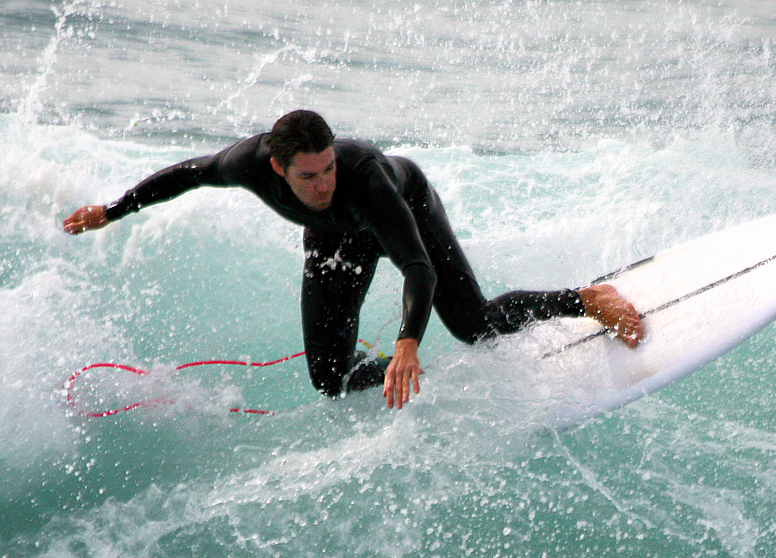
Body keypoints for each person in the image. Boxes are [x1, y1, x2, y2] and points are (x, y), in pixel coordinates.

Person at [62, 110, 642, 410]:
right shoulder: (245, 163)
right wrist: (113, 211)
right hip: (334, 240)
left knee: (471, 324)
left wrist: (412, 337)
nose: (322, 183)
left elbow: (417, 265)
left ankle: (588, 299)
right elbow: (187, 175)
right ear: (277, 170)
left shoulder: (362, 179)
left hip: (402, 207)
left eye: (328, 167)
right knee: (329, 380)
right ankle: (398, 366)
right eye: (308, 176)